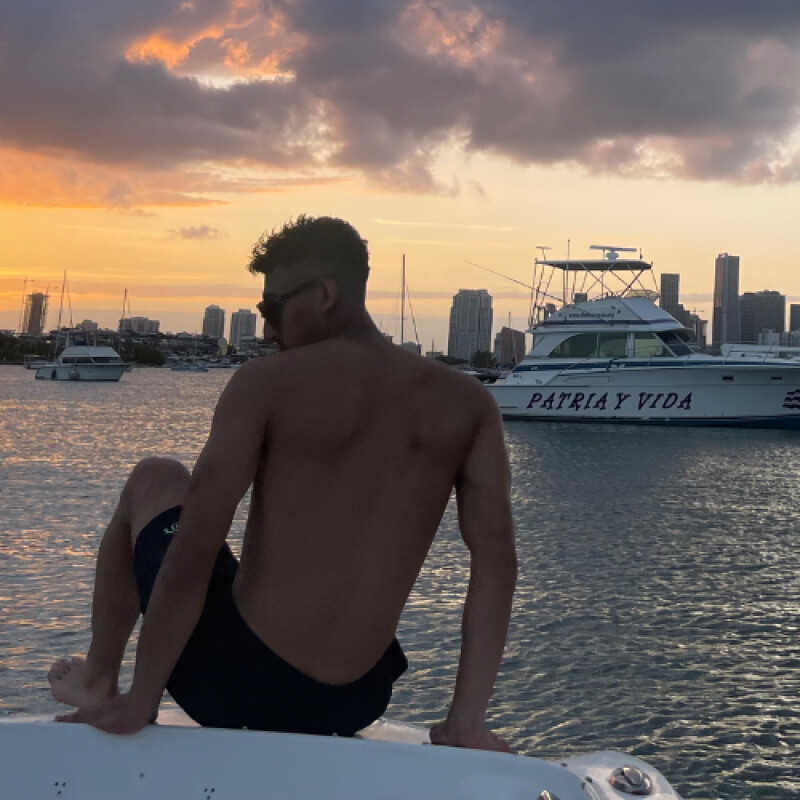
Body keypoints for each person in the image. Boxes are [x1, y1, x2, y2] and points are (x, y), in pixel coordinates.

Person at [48, 215, 517, 751]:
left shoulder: (265, 384)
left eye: (273, 308)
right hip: (356, 699)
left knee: (156, 477)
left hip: (234, 688)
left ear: (324, 295)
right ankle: (466, 723)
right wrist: (466, 723)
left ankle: (98, 677)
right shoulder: (468, 404)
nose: (268, 330)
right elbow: (496, 566)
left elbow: (194, 548)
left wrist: (142, 699)